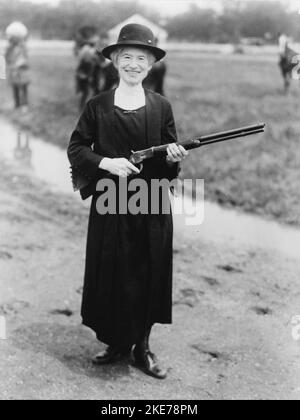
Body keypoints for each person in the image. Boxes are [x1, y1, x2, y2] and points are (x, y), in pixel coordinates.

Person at [67, 23, 188, 379]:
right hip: (109, 202)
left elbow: (168, 170)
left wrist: (173, 159)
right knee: (112, 273)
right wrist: (105, 162)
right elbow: (76, 149)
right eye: (127, 57)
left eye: (142, 58)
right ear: (115, 61)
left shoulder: (161, 106)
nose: (134, 64)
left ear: (151, 66)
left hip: (149, 204)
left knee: (147, 272)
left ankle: (141, 348)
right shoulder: (98, 106)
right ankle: (117, 342)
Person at [4, 21, 30, 112]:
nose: (10, 39)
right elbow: (7, 58)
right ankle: (17, 104)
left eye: (12, 38)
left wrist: (19, 64)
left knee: (23, 87)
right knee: (15, 87)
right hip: (14, 71)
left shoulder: (23, 47)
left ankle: (24, 105)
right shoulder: (9, 48)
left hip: (22, 71)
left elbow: (24, 58)